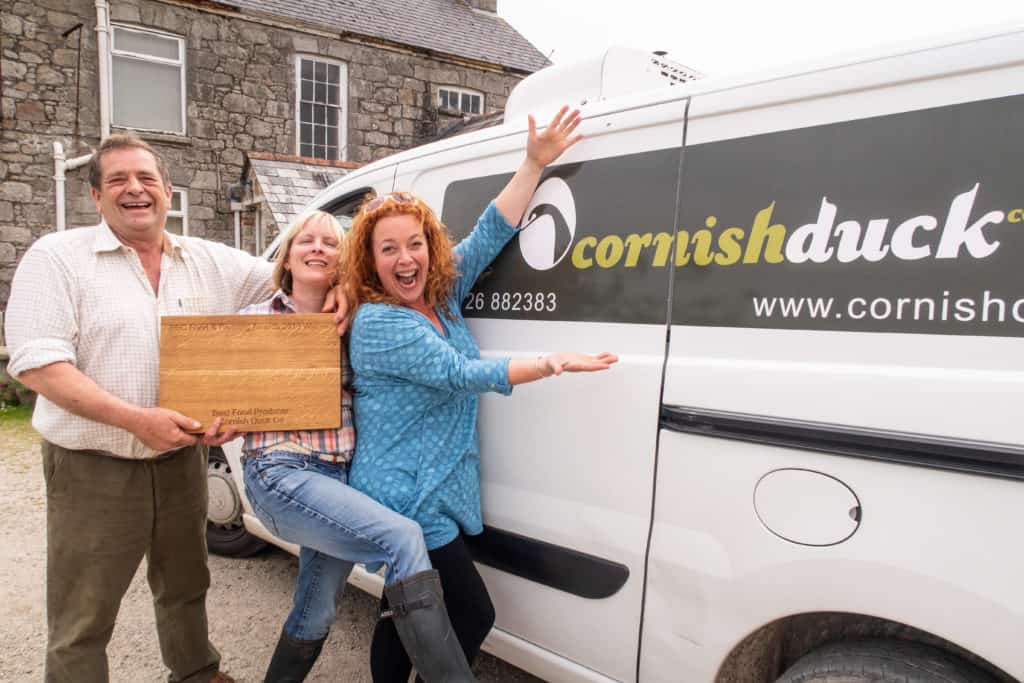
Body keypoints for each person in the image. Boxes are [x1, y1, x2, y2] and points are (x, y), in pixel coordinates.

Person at [3, 133, 339, 683]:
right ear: (96, 196)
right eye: (118, 180)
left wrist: (339, 287)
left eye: (147, 179)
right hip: (94, 465)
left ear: (166, 190)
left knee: (186, 584)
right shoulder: (58, 258)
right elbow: (38, 363)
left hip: (181, 459)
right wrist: (136, 421)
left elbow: (295, 279)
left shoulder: (207, 260)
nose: (135, 190)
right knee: (84, 611)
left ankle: (195, 674)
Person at [343, 106, 618, 681]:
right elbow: (458, 373)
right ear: (370, 260)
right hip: (406, 499)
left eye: (414, 244)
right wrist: (550, 362)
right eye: (388, 249)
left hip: (433, 491)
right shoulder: (379, 323)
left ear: (428, 248)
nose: (405, 259)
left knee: (406, 613)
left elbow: (492, 231)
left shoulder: (440, 296)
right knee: (468, 611)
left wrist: (533, 162)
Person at [239, 211, 475, 682]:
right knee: (403, 537)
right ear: (286, 256)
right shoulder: (254, 321)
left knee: (317, 611)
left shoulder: (353, 323)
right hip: (281, 470)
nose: (318, 248)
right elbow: (216, 395)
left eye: (331, 242)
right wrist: (213, 422)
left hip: (338, 481)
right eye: (306, 240)